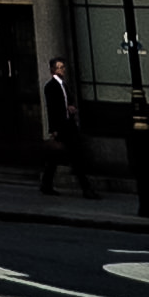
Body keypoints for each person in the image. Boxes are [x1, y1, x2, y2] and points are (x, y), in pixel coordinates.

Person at [36, 56, 98, 198]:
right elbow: (51, 109)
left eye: (63, 67)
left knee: (55, 158)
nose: (62, 70)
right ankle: (86, 188)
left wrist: (71, 108)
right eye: (59, 67)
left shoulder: (64, 85)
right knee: (75, 158)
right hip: (62, 127)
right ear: (52, 70)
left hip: (69, 125)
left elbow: (67, 103)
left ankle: (46, 184)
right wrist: (54, 129)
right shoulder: (51, 87)